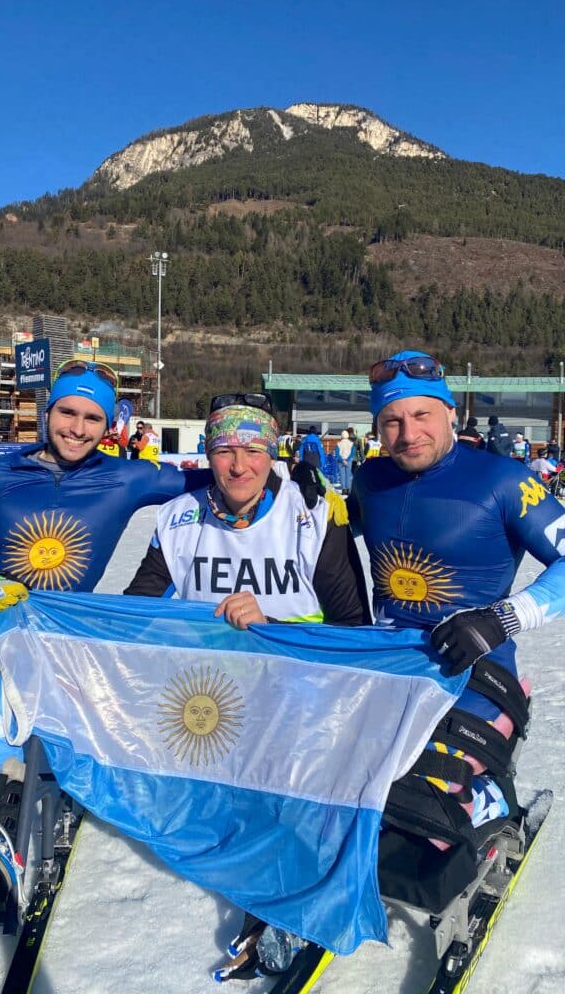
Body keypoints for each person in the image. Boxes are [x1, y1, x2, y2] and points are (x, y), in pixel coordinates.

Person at [0, 360, 213, 911]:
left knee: (1, 709)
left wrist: (288, 476)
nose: (77, 428)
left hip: (55, 643)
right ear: (47, 410)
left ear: (107, 424)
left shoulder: (128, 477)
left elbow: (221, 478)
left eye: (91, 417)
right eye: (67, 412)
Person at [125, 392, 371, 979]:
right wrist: (33, 617)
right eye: (225, 449)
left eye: (253, 449)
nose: (239, 465)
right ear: (208, 453)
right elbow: (132, 614)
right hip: (211, 702)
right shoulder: (179, 521)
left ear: (273, 451)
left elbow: (352, 629)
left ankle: (290, 900)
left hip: (299, 691)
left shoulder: (312, 512)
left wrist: (274, 625)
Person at [349, 349, 565, 876]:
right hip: (387, 668)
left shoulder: (503, 480)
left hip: (474, 673)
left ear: (449, 415)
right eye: (392, 420)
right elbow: (322, 538)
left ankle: (493, 802)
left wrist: (500, 620)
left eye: (422, 415)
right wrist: (296, 499)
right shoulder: (370, 481)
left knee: (431, 798)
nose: (407, 432)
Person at [334, 429, 355, 494]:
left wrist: (342, 460)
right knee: (348, 475)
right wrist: (347, 460)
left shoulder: (338, 444)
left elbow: (337, 454)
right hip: (349, 461)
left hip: (341, 461)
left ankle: (343, 490)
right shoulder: (352, 444)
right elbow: (352, 453)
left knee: (342, 475)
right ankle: (348, 489)